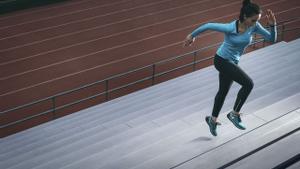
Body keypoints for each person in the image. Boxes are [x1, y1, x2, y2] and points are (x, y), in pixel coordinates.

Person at [183, 0, 277, 136]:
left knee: (223, 91)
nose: (255, 23)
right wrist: (191, 36)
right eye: (253, 20)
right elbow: (208, 25)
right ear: (245, 17)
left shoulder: (254, 26)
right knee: (248, 84)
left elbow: (272, 39)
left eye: (257, 20)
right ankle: (234, 114)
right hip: (221, 60)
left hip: (233, 62)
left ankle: (212, 120)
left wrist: (273, 25)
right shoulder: (230, 28)